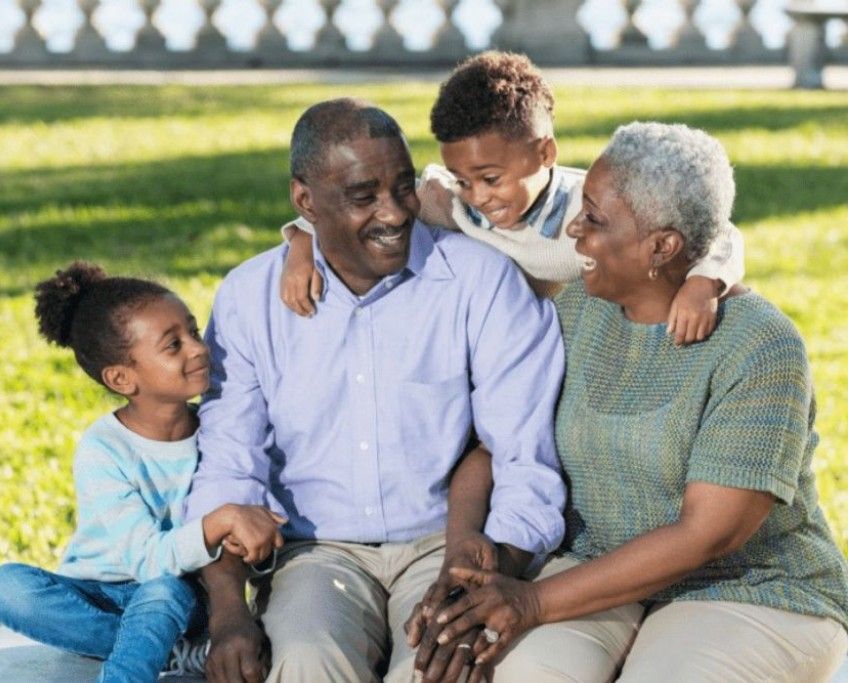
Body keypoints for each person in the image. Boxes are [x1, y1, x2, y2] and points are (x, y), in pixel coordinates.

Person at [413, 123, 848, 682]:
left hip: (753, 587)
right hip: (594, 567)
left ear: (661, 247)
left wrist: (532, 603)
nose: (573, 229)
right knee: (520, 673)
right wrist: (468, 546)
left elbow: (707, 535)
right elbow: (493, 448)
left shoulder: (760, 347)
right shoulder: (575, 315)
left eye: (593, 218)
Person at [183, 98, 567, 682]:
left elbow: (524, 454)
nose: (393, 213)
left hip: (448, 544)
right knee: (306, 660)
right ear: (305, 202)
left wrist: (490, 574)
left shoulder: (479, 281)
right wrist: (229, 615)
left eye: (403, 187)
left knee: (443, 669)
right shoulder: (249, 298)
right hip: (316, 551)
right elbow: (229, 466)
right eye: (364, 196)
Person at [280, 51, 744, 346]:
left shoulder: (596, 205)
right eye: (465, 179)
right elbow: (364, 213)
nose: (478, 197)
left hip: (583, 341)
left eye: (491, 178)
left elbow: (719, 233)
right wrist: (302, 247)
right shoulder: (449, 199)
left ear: (545, 153)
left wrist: (704, 283)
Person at [0, 262, 286, 683]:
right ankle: (172, 652)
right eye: (173, 346)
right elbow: (145, 558)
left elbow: (245, 526)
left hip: (182, 597)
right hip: (98, 592)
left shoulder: (220, 435)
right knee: (6, 587)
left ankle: (134, 664)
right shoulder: (104, 449)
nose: (198, 349)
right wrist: (220, 522)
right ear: (122, 378)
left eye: (194, 333)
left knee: (162, 591)